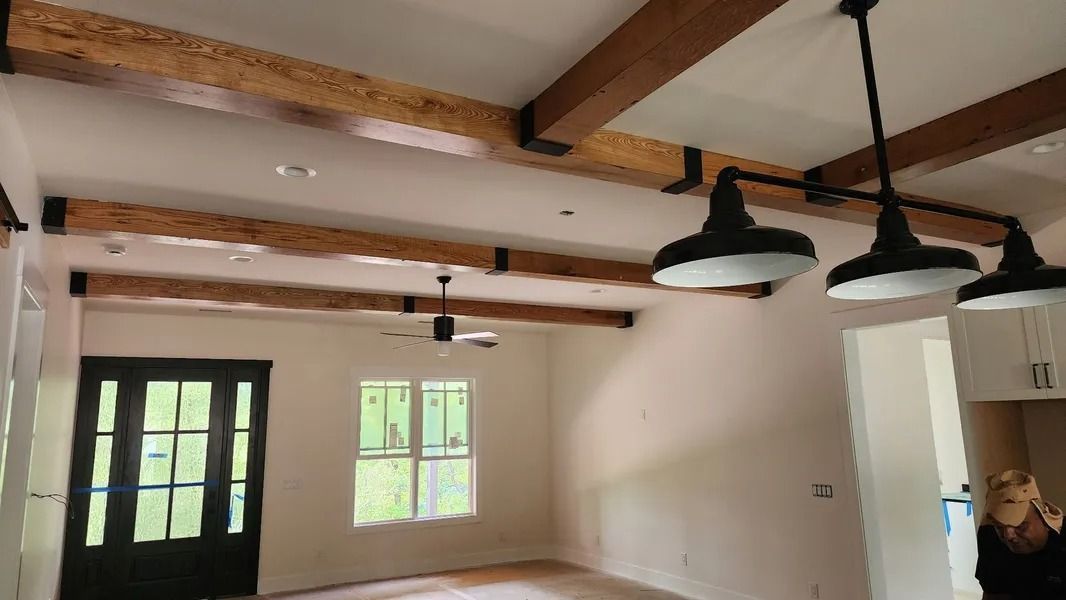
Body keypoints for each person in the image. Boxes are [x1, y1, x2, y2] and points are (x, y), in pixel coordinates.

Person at [976, 469, 1066, 599]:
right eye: (999, 526)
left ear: (1045, 521)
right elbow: (993, 593)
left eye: (1020, 525)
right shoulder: (990, 536)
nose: (1008, 535)